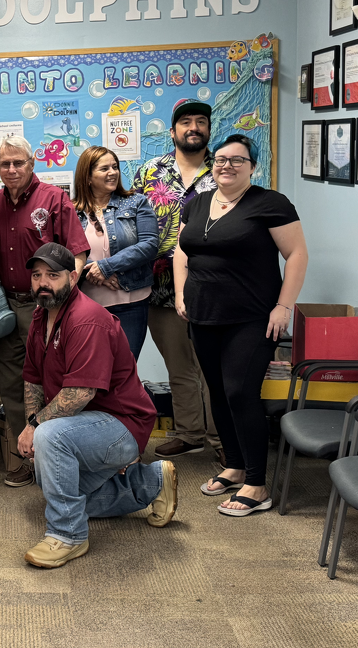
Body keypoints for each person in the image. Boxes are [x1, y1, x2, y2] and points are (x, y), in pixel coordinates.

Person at [17, 243, 177, 569]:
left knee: (50, 440)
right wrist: (30, 423)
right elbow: (32, 380)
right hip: (84, 424)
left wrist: (36, 428)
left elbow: (79, 393)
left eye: (52, 275)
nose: (42, 282)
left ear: (73, 277)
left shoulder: (87, 320)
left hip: (121, 424)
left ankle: (67, 535)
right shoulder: (41, 316)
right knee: (48, 475)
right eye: (36, 275)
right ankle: (151, 483)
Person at [173, 134, 308, 516]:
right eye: (220, 159)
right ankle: (233, 465)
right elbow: (182, 251)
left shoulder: (270, 204)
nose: (226, 165)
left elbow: (297, 254)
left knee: (240, 392)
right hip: (203, 314)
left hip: (252, 318)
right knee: (217, 390)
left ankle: (257, 483)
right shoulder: (198, 203)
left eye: (237, 159)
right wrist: (182, 295)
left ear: (252, 166)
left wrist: (284, 306)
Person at [0, 135, 88, 488]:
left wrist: (66, 298)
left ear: (33, 163)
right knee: (13, 384)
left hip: (47, 306)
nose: (12, 169)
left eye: (19, 162)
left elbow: (77, 252)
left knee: (52, 384)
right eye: (5, 164)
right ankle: (22, 460)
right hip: (7, 307)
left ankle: (54, 456)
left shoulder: (54, 198)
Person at [132, 101, 222, 463]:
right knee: (179, 366)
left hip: (211, 286)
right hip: (160, 288)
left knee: (212, 368)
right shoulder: (151, 171)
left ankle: (222, 440)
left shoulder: (225, 169)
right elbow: (133, 219)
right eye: (186, 122)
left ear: (209, 130)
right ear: (173, 132)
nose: (194, 127)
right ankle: (189, 433)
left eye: (201, 122)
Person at [73, 145, 158, 359]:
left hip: (131, 303)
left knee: (124, 373)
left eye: (115, 166)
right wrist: (95, 272)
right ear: (88, 177)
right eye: (104, 169)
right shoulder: (71, 210)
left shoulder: (136, 202)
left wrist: (107, 267)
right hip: (88, 306)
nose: (112, 172)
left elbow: (149, 244)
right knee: (93, 372)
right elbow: (64, 252)